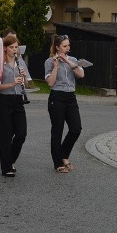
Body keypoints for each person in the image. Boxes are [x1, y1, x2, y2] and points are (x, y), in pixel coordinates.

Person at [0, 35, 31, 177]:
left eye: (16, 47)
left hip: (18, 100)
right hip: (4, 100)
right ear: (5, 48)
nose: (15, 50)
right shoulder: (0, 64)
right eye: (12, 47)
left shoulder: (21, 63)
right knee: (5, 136)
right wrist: (12, 83)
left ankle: (11, 158)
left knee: (21, 134)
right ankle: (6, 167)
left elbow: (26, 85)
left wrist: (24, 78)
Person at [44, 34, 84, 173]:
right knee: (57, 131)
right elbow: (50, 83)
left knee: (76, 128)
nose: (68, 48)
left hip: (71, 97)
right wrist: (56, 66)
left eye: (68, 45)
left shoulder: (73, 60)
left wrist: (67, 61)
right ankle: (58, 163)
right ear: (57, 47)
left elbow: (81, 74)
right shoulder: (49, 61)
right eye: (65, 46)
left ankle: (64, 154)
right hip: (57, 97)